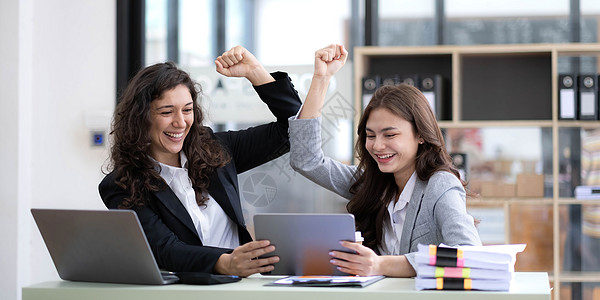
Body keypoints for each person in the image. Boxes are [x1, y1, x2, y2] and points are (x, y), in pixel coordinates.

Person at [99, 46, 302, 277]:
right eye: (167, 112)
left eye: (187, 110)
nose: (180, 122)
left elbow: (294, 130)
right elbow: (164, 249)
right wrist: (224, 263)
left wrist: (255, 73)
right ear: (141, 118)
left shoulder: (215, 150)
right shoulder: (121, 184)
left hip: (240, 289)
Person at [289, 44, 481, 277]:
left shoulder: (439, 184)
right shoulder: (371, 183)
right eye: (371, 135)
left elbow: (469, 254)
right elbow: (306, 160)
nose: (378, 146)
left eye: (390, 135)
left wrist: (382, 265)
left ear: (420, 135)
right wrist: (321, 79)